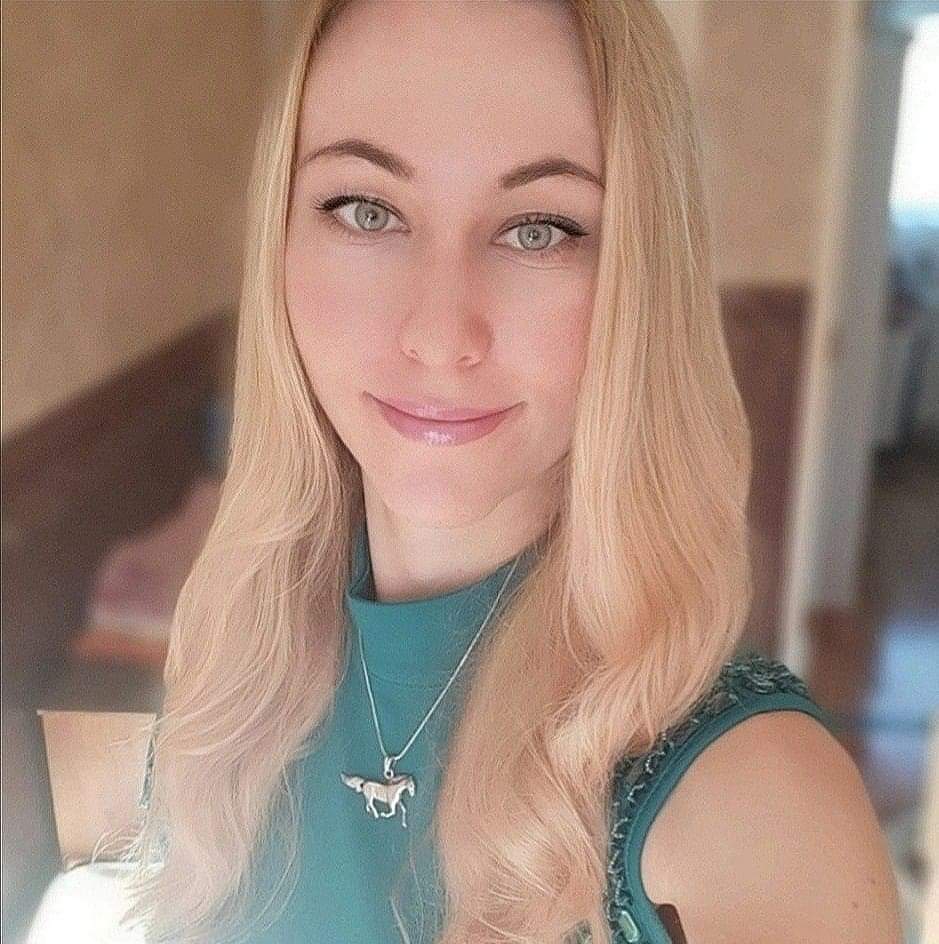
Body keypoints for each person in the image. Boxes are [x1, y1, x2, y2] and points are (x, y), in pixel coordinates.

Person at [119, 1, 904, 942]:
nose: (439, 335)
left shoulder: (754, 804)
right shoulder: (232, 670)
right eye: (367, 210)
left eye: (539, 229)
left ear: (639, 280)